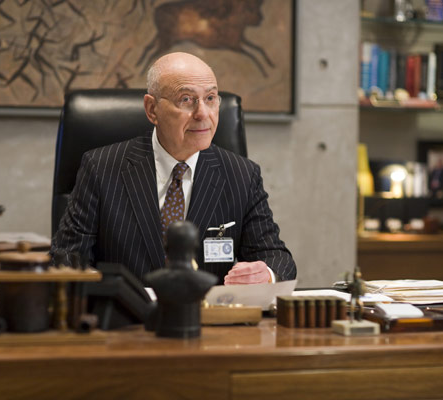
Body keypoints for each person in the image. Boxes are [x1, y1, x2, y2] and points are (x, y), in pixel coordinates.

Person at [51, 52, 296, 285]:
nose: (202, 113)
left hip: (206, 312)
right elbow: (67, 258)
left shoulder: (242, 175)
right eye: (186, 99)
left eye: (210, 98)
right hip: (126, 311)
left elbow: (277, 259)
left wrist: (265, 275)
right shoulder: (101, 168)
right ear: (152, 109)